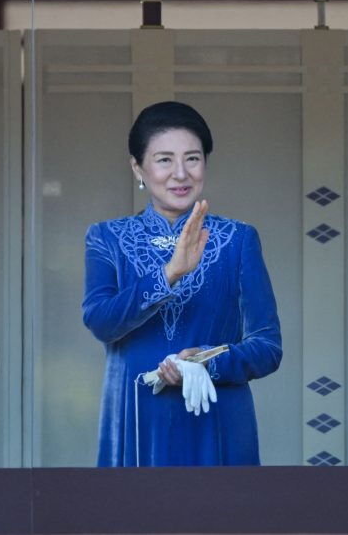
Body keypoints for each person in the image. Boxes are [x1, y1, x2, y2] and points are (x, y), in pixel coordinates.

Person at [82, 101, 282, 466]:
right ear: (137, 167)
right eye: (164, 160)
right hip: (138, 417)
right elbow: (101, 322)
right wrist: (168, 274)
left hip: (217, 419)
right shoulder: (106, 237)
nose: (180, 173)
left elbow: (268, 346)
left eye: (192, 158)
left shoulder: (238, 239)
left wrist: (207, 363)